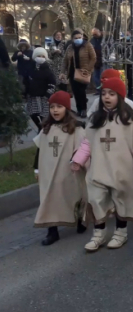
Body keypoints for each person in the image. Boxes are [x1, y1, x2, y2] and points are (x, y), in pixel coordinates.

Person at [71, 77, 133, 251]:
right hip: (99, 168)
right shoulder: (94, 119)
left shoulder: (130, 119)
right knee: (96, 200)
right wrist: (78, 160)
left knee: (121, 200)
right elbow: (87, 143)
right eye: (104, 93)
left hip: (121, 169)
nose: (106, 97)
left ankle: (121, 232)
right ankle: (98, 234)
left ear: (120, 97)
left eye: (112, 94)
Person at [33, 91, 87, 246]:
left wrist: (77, 162)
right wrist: (36, 169)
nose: (55, 110)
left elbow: (82, 148)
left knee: (73, 194)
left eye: (59, 107)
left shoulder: (76, 128)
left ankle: (79, 220)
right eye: (52, 107)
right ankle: (52, 231)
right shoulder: (45, 129)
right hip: (48, 171)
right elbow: (39, 150)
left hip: (68, 170)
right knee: (49, 198)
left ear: (67, 109)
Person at [60, 29, 96, 118]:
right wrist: (62, 72)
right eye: (76, 38)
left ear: (82, 37)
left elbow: (93, 58)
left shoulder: (87, 45)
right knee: (76, 92)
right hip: (72, 72)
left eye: (80, 37)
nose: (78, 39)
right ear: (72, 39)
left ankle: (83, 109)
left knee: (81, 91)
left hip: (83, 72)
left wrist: (88, 69)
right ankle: (79, 109)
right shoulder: (70, 47)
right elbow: (65, 61)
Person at [25, 48, 56, 131]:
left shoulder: (48, 70)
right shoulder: (30, 68)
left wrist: (48, 94)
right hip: (33, 96)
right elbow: (26, 81)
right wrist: (25, 92)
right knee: (32, 113)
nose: (41, 57)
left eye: (43, 56)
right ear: (35, 57)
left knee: (44, 115)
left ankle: (43, 129)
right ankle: (39, 126)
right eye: (39, 56)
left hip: (44, 97)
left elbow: (52, 83)